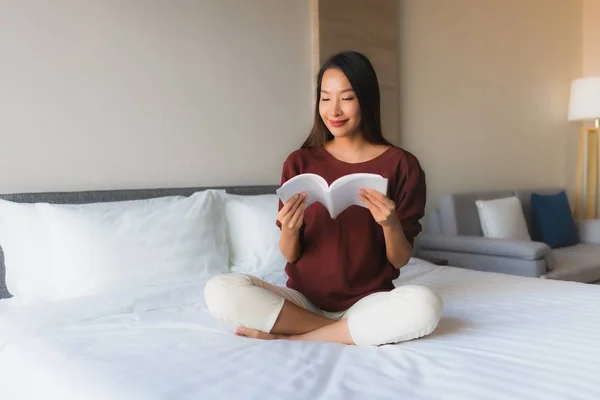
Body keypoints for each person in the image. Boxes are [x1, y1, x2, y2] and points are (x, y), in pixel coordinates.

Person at [204, 50, 443, 346]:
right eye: (325, 98)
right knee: (220, 289)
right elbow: (290, 255)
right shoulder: (299, 162)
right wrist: (290, 229)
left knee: (425, 305)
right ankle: (343, 331)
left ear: (366, 99)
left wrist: (390, 224)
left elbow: (400, 258)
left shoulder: (402, 165)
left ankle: (294, 336)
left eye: (346, 98)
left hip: (368, 302)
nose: (334, 111)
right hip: (302, 302)